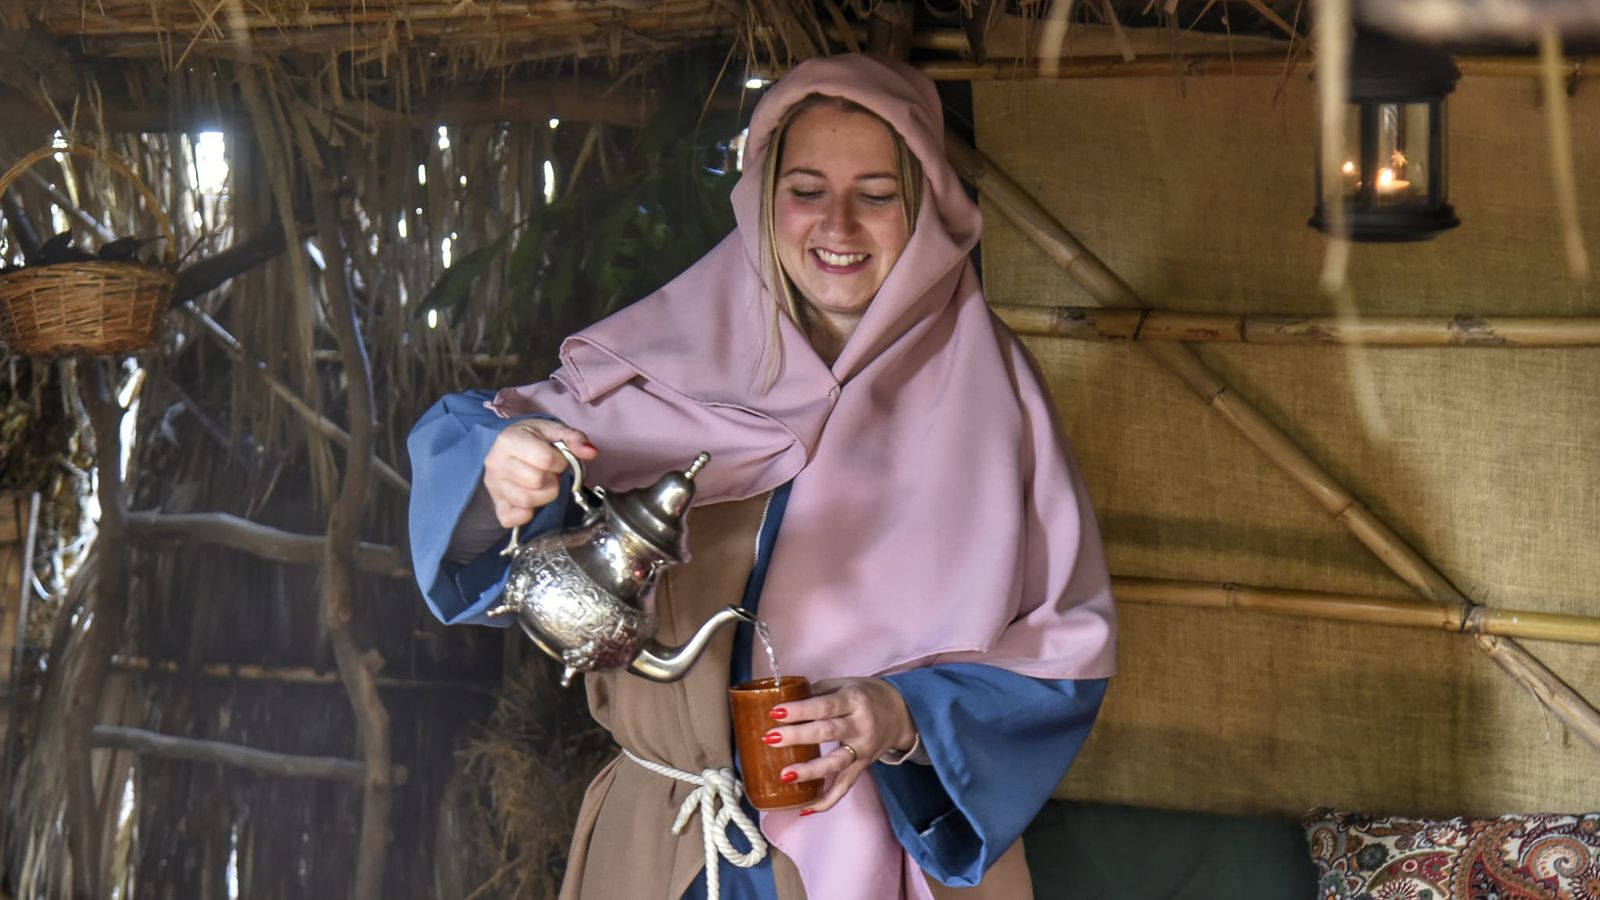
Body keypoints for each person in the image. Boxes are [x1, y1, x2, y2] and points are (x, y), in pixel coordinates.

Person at [408, 54, 1116, 900]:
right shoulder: (668, 357)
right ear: (761, 196)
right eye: (807, 189)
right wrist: (504, 473)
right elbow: (502, 477)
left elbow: (1066, 653)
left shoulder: (997, 402)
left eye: (878, 194)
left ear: (927, 202)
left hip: (883, 856)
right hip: (670, 848)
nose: (838, 226)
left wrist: (900, 715)